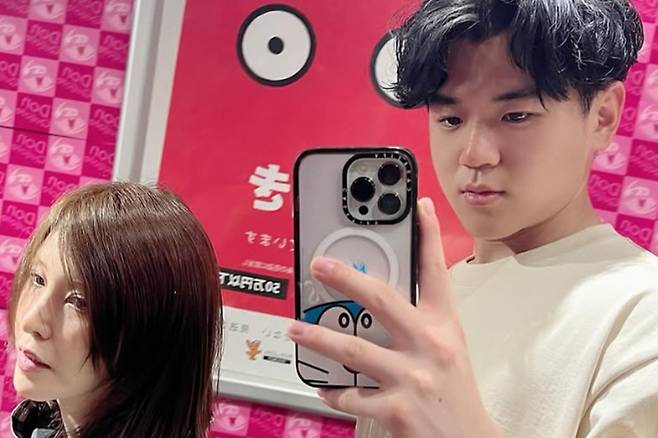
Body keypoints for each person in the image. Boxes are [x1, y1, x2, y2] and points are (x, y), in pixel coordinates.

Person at [288, 0, 658, 437]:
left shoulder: (640, 313)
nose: (474, 154)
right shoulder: (428, 297)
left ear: (603, 116)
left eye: (516, 116)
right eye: (450, 119)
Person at [8, 182, 222, 437]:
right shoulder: (40, 424)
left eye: (78, 302)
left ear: (149, 336)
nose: (32, 320)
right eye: (38, 279)